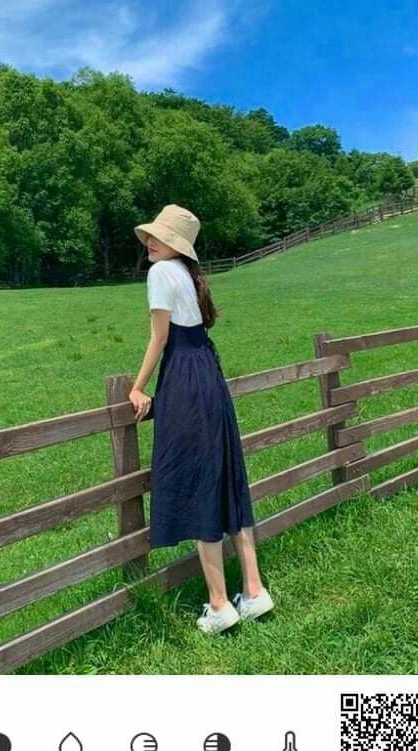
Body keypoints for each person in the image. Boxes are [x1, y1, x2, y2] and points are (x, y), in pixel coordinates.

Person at [129, 204, 274, 634]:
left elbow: (160, 338)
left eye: (160, 237)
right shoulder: (190, 277)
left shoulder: (160, 274)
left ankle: (218, 604)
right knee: (226, 473)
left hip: (184, 377)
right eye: (151, 236)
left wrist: (137, 388)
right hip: (208, 372)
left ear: (176, 245)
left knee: (197, 478)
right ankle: (253, 590)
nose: (150, 242)